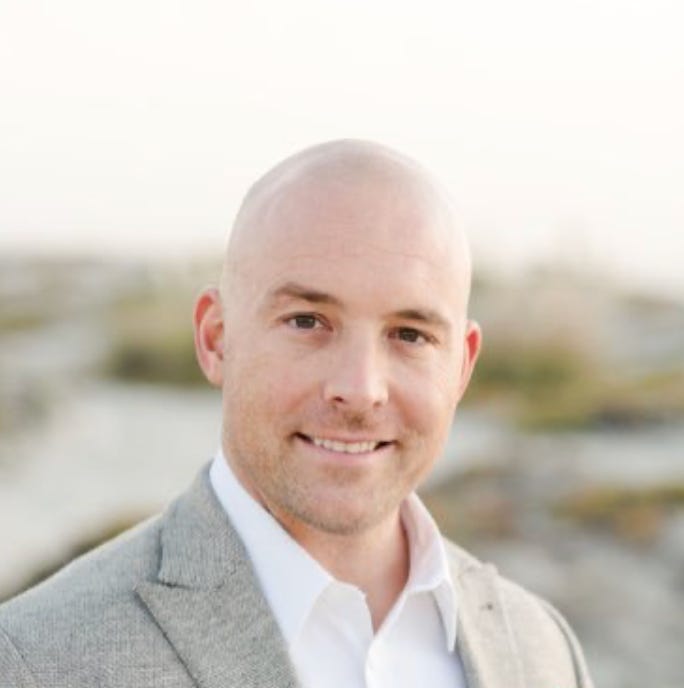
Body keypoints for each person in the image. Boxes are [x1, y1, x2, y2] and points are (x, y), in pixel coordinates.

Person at [0, 140, 594, 687]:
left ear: (461, 367)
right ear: (216, 338)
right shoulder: (37, 660)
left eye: (410, 334)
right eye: (307, 321)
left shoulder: (541, 651)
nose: (360, 389)